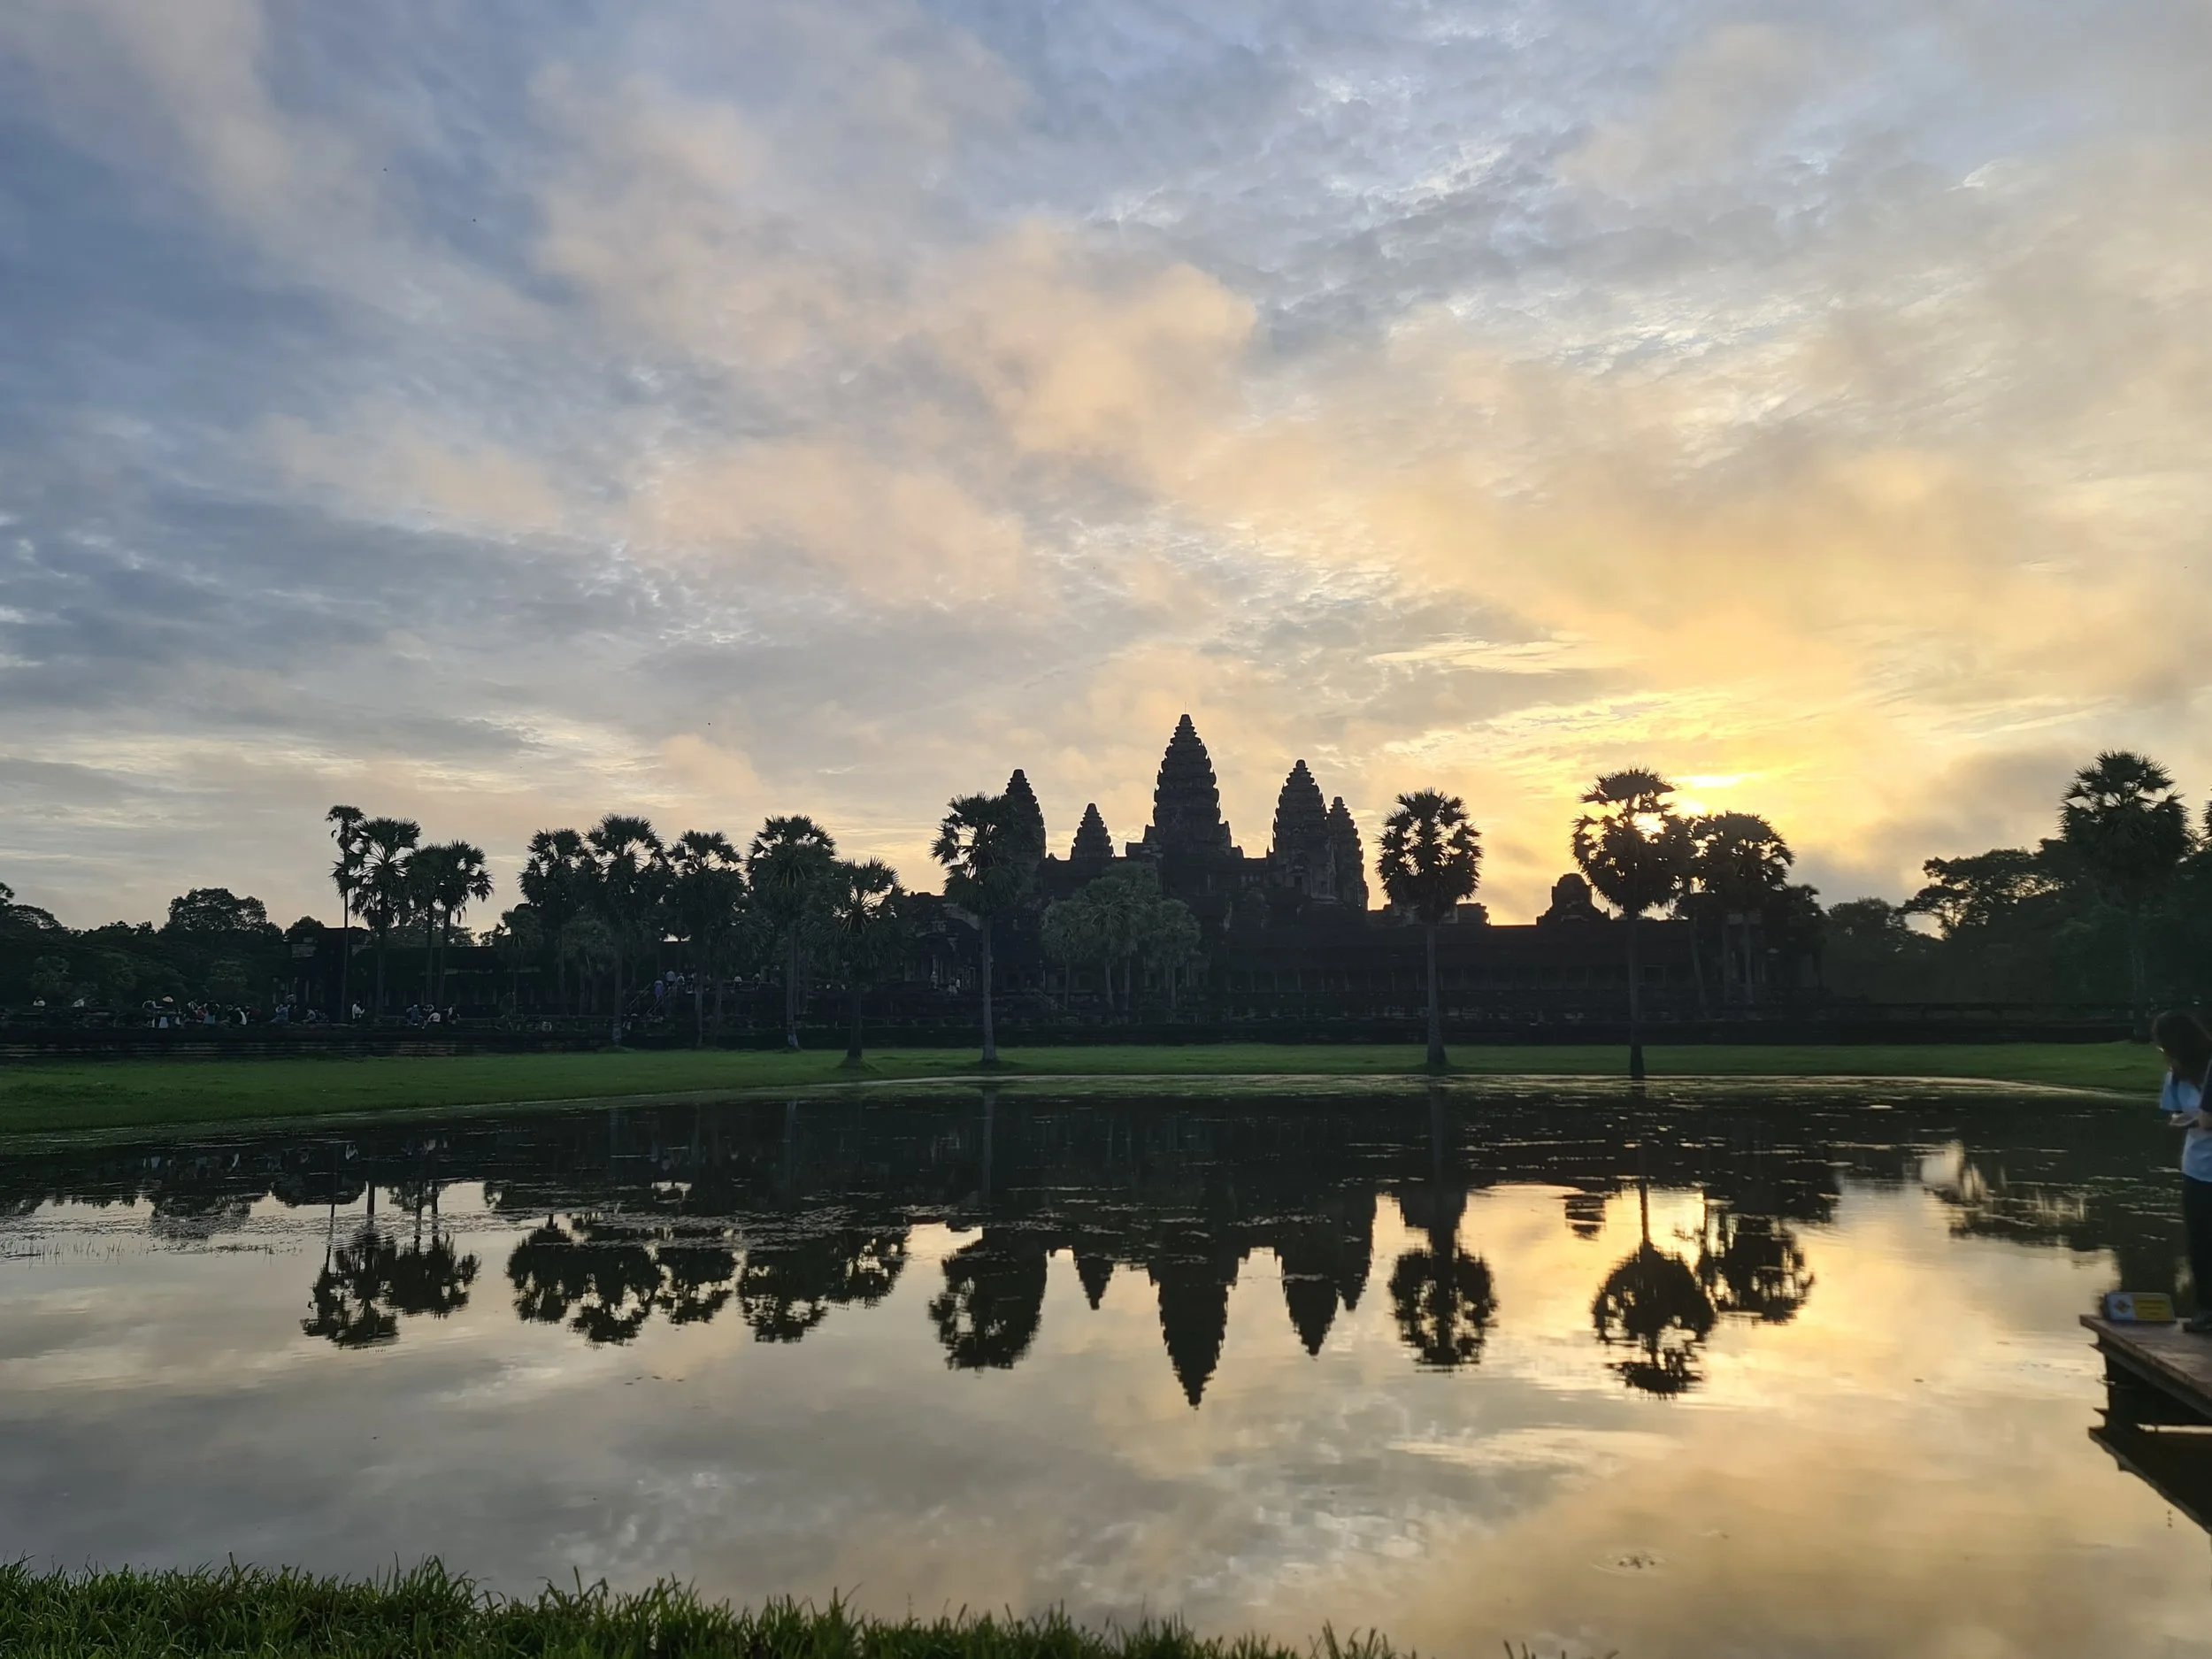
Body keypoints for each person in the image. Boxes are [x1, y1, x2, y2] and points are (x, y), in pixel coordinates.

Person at [2154, 1010, 2212, 1333]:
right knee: (2200, 1243)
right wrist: (2185, 1120)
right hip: (2197, 1170)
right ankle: (2206, 1309)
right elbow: (2173, 1115)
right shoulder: (2176, 1076)